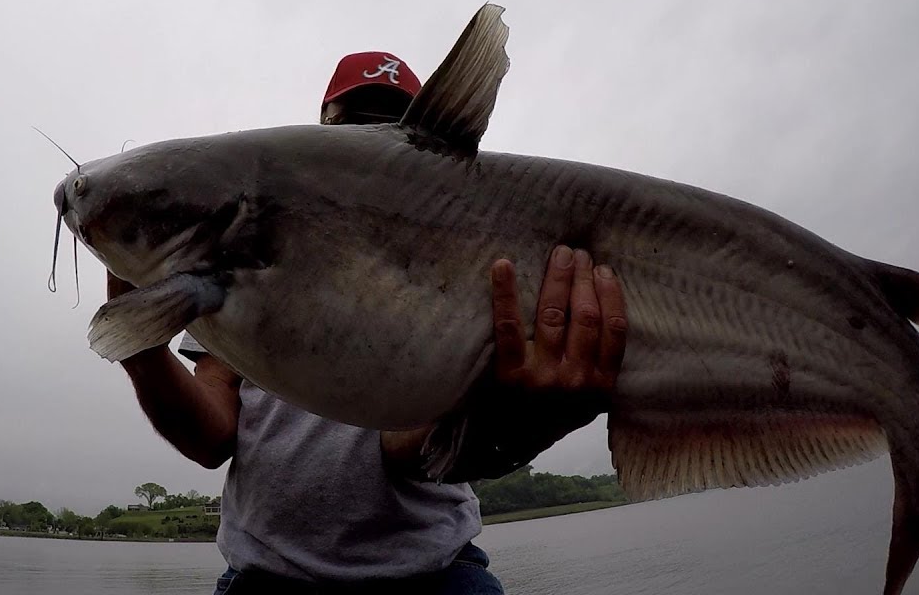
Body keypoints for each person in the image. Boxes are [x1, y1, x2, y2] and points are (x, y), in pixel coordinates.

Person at [107, 51, 628, 594]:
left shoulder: (473, 261)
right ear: (325, 128)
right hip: (264, 580)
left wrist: (515, 419)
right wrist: (142, 354)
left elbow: (407, 447)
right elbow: (213, 436)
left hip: (435, 576)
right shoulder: (237, 263)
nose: (375, 138)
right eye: (356, 124)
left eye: (395, 126)